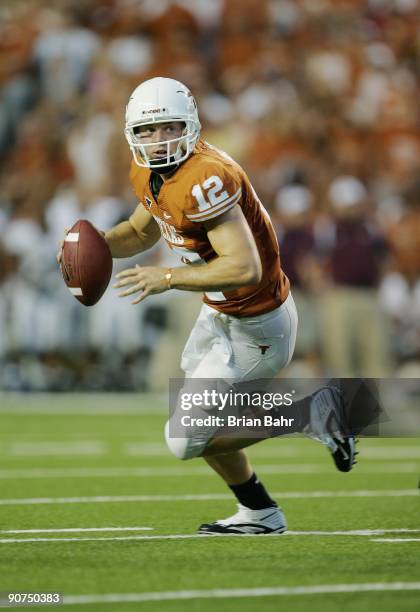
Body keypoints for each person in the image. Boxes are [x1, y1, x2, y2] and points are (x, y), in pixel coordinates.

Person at [59, 77, 357, 534]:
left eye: (169, 127)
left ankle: (311, 413)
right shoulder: (150, 173)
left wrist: (169, 277)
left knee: (184, 438)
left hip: (256, 324)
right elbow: (141, 232)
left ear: (191, 123)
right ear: (131, 133)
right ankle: (260, 512)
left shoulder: (204, 178)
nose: (158, 140)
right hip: (221, 313)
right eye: (147, 131)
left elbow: (244, 267)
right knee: (199, 424)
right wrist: (92, 245)